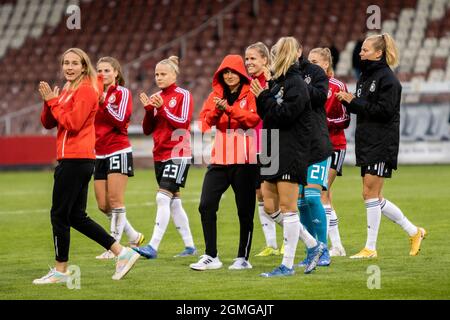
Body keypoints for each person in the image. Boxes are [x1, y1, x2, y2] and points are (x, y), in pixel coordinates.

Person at [35, 48, 139, 284]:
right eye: (65, 63)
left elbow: (72, 123)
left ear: (84, 67)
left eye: (74, 63)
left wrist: (54, 101)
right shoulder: (68, 91)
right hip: (73, 159)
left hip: (76, 159)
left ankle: (61, 270)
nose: (69, 67)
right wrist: (48, 102)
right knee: (76, 216)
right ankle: (122, 252)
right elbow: (48, 122)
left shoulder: (85, 90)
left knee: (59, 215)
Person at [336, 33, 426, 258]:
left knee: (369, 194)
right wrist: (347, 100)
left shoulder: (389, 80)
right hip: (367, 141)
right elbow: (363, 107)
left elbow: (384, 112)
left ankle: (371, 248)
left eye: (365, 50)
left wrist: (353, 101)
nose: (360, 53)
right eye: (361, 49)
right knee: (372, 196)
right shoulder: (365, 77)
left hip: (381, 143)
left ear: (378, 53)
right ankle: (414, 232)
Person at [251, 37, 326, 277]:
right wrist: (263, 96)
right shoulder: (277, 83)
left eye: (274, 55)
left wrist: (264, 97)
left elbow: (284, 115)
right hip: (272, 147)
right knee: (269, 206)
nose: (271, 60)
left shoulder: (296, 83)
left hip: (290, 150)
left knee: (288, 208)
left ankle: (287, 264)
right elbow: (267, 114)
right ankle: (314, 245)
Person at [190, 55, 260, 271]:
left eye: (233, 72)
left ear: (241, 74)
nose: (229, 76)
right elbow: (202, 124)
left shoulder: (251, 94)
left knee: (245, 210)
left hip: (246, 159)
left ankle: (243, 258)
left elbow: (253, 120)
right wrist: (216, 111)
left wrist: (229, 109)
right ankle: (211, 255)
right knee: (206, 205)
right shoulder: (214, 96)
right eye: (225, 73)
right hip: (219, 159)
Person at [134, 56, 196, 259]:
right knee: (174, 202)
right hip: (159, 154)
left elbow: (183, 123)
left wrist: (161, 108)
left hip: (178, 152)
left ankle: (152, 247)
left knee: (162, 198)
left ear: (174, 74)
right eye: (156, 75)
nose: (159, 78)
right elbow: (147, 129)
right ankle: (190, 247)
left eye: (163, 74)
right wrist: (148, 111)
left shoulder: (183, 95)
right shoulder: (155, 97)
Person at [94, 56, 144, 260]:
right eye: (100, 70)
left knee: (115, 200)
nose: (103, 74)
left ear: (116, 73)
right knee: (102, 204)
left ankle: (113, 247)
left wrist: (104, 103)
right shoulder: (93, 94)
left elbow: (121, 120)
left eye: (107, 70)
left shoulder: (122, 93)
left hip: (118, 149)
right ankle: (133, 235)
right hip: (98, 152)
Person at [308, 47, 350, 257]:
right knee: (322, 195)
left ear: (326, 64)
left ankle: (331, 245)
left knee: (321, 193)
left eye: (315, 62)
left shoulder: (337, 86)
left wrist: (322, 123)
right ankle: (334, 246)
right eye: (309, 61)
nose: (311, 65)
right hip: (313, 146)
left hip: (334, 146)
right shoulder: (307, 85)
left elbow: (345, 119)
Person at [296, 43, 333, 268]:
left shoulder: (315, 73)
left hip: (317, 145)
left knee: (312, 197)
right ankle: (312, 251)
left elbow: (320, 98)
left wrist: (297, 85)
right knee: (300, 203)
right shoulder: (282, 75)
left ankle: (324, 249)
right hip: (297, 147)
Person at [245, 42, 282, 257]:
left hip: (271, 141)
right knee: (259, 194)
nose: (249, 62)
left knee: (279, 195)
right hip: (253, 145)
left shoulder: (273, 82)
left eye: (253, 59)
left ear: (265, 61)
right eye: (247, 59)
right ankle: (271, 244)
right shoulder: (247, 84)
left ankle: (291, 239)